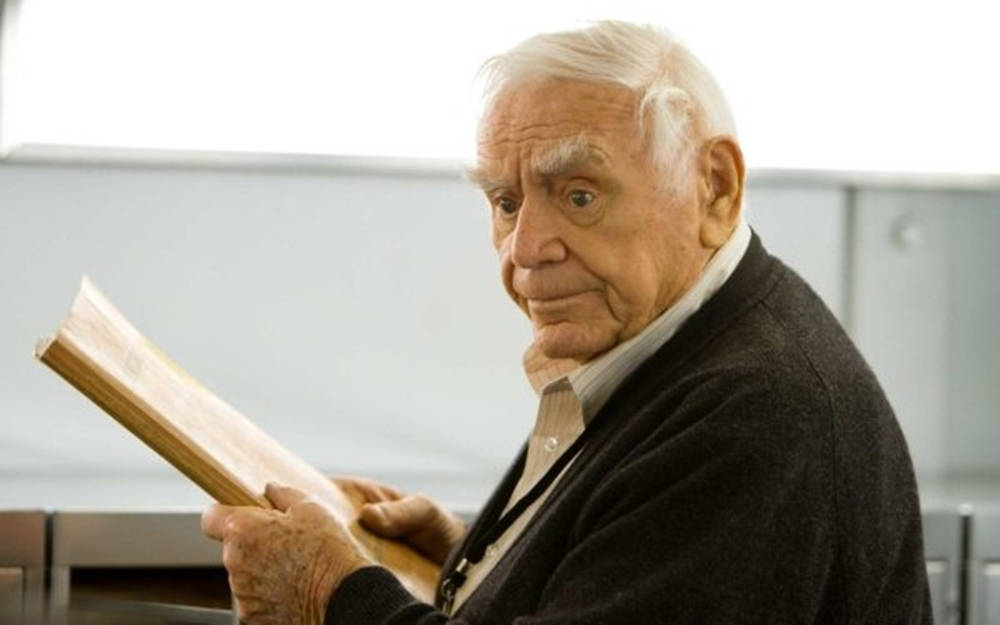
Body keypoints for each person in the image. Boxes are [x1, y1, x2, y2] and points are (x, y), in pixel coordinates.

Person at [201, 21, 931, 624]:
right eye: (506, 202)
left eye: (579, 195)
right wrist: (469, 558)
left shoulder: (759, 413)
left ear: (715, 189)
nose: (524, 251)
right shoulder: (688, 345)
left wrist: (332, 594)